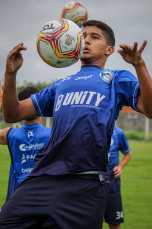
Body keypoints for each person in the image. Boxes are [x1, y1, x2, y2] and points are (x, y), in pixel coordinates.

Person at [0, 20, 152, 229]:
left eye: (94, 37)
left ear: (109, 50)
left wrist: (139, 65)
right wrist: (10, 74)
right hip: (43, 178)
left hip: (87, 184)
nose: (86, 39)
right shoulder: (60, 85)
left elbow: (149, 108)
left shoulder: (116, 79)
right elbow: (12, 113)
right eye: (83, 35)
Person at [0, 84, 55, 228]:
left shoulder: (11, 135)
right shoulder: (54, 135)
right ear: (40, 106)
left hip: (17, 206)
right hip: (47, 206)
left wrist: (1, 102)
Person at [104, 126, 132, 229]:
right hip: (93, 187)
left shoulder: (118, 132)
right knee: (89, 223)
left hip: (113, 187)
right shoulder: (90, 129)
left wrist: (120, 166)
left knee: (114, 223)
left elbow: (128, 153)